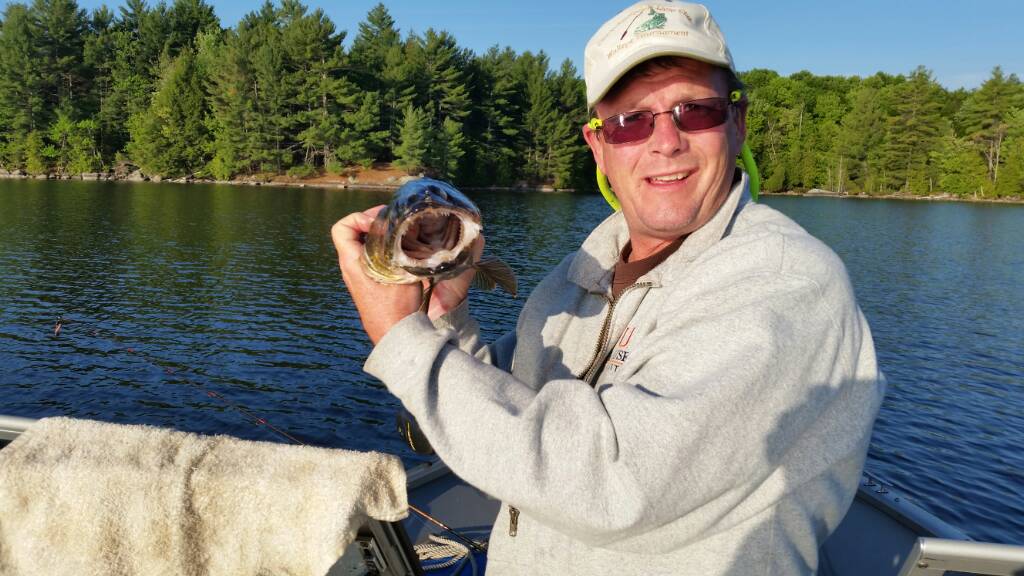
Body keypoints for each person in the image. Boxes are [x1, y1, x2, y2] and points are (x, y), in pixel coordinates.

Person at [332, 1, 886, 574]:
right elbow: (514, 414)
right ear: (597, 144)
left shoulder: (784, 283)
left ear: (737, 123)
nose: (665, 141)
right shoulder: (579, 274)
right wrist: (447, 320)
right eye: (630, 121)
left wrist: (400, 335)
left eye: (695, 111)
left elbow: (612, 482)